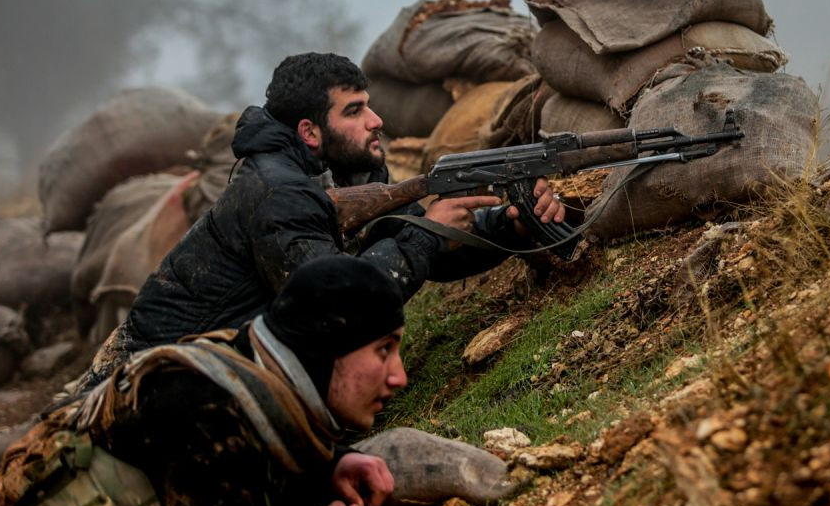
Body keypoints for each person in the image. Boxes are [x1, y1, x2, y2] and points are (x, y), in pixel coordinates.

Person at [79, 52, 564, 388]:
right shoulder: (276, 191)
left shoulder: (351, 171)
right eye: (354, 110)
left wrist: (509, 226)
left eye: (368, 105)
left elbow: (415, 239)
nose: (375, 120)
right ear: (310, 131)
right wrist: (427, 236)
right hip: (147, 374)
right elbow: (334, 308)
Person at [0, 256, 414, 506]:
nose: (399, 377)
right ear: (325, 350)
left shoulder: (246, 367)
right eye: (383, 350)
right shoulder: (203, 410)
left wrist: (332, 464)